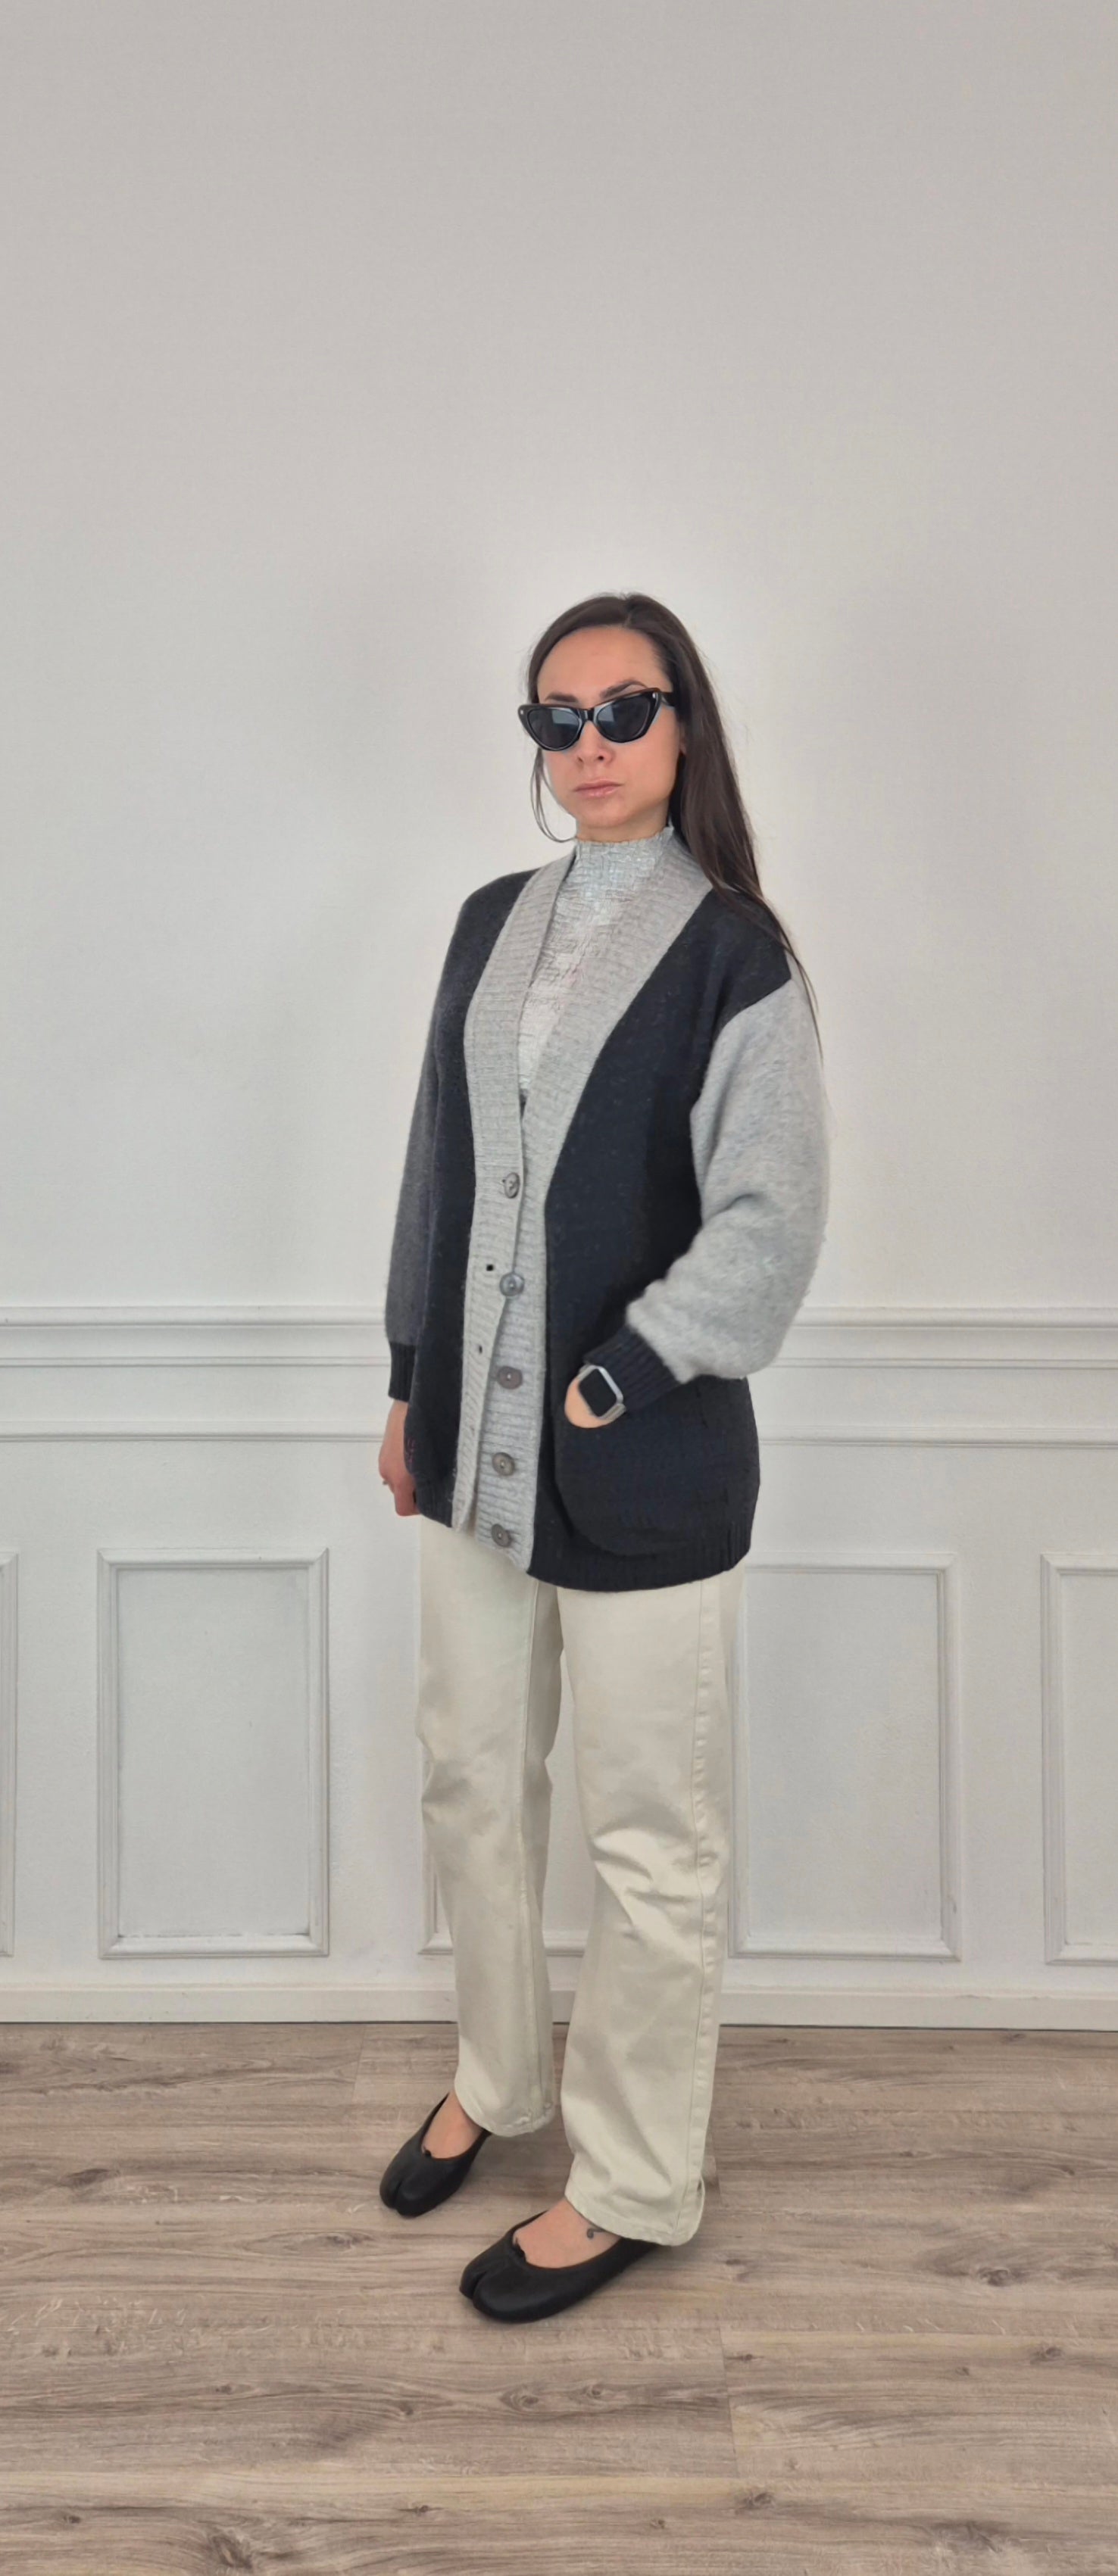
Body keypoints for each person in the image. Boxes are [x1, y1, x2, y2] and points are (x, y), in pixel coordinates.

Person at [377, 589, 830, 2323]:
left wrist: (619, 1377)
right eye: (554, 719)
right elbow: (437, 1164)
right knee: (471, 1779)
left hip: (643, 1467)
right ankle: (498, 2079)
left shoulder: (737, 954)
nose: (589, 747)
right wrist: (410, 1381)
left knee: (649, 1835)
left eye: (624, 711)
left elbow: (772, 1223)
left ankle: (635, 2180)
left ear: (684, 723)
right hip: (469, 1458)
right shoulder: (487, 922)